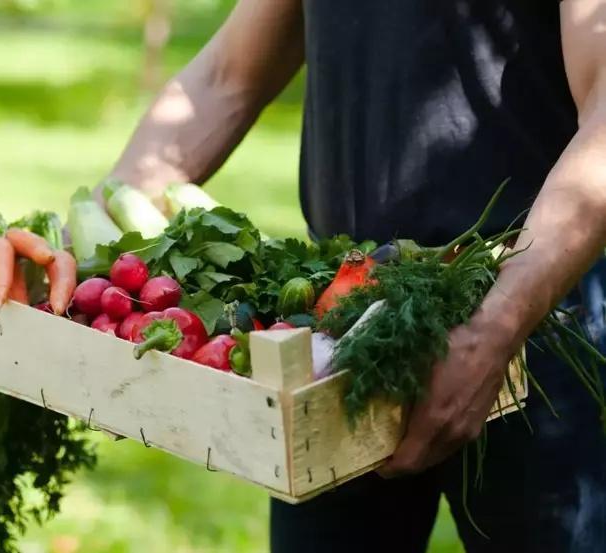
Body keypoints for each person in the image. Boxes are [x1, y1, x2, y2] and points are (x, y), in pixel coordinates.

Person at [100, 1, 606, 552]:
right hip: (336, 329)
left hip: (537, 322)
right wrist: (97, 232)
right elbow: (227, 75)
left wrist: (497, 326)